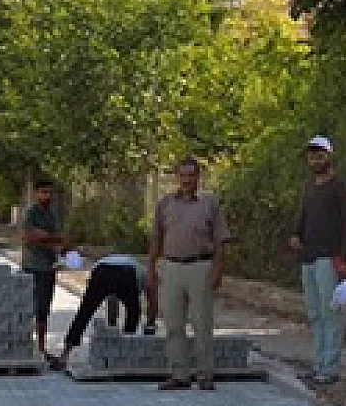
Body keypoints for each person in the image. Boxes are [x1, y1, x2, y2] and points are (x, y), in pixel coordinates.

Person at [148, 158, 230, 391]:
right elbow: (156, 237)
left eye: (191, 175)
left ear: (198, 177)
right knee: (173, 323)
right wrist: (152, 268)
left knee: (202, 322)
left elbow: (220, 240)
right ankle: (179, 374)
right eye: (182, 175)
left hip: (200, 266)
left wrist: (218, 269)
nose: (186, 180)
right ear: (177, 177)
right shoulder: (165, 204)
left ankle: (205, 374)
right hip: (172, 267)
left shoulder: (209, 204)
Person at [288, 136, 346, 387]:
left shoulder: (339, 188)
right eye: (312, 154)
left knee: (330, 314)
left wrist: (345, 260)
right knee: (315, 314)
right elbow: (303, 216)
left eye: (320, 154)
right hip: (308, 257)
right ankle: (318, 365)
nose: (316, 159)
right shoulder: (310, 188)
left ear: (329, 156)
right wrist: (296, 235)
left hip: (330, 258)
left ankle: (330, 368)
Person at [51, 254, 159, 369]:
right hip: (126, 273)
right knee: (133, 312)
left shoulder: (129, 265)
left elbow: (112, 298)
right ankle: (126, 351)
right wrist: (150, 325)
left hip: (101, 271)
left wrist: (111, 329)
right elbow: (152, 302)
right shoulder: (146, 274)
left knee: (85, 312)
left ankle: (64, 356)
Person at [22, 179, 69, 361]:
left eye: (49, 192)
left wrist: (52, 240)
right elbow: (30, 238)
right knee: (30, 308)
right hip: (33, 266)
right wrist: (52, 238)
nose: (46, 196)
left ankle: (41, 349)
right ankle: (27, 347)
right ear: (35, 193)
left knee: (44, 309)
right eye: (43, 192)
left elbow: (61, 240)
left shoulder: (51, 214)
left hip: (49, 267)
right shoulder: (31, 213)